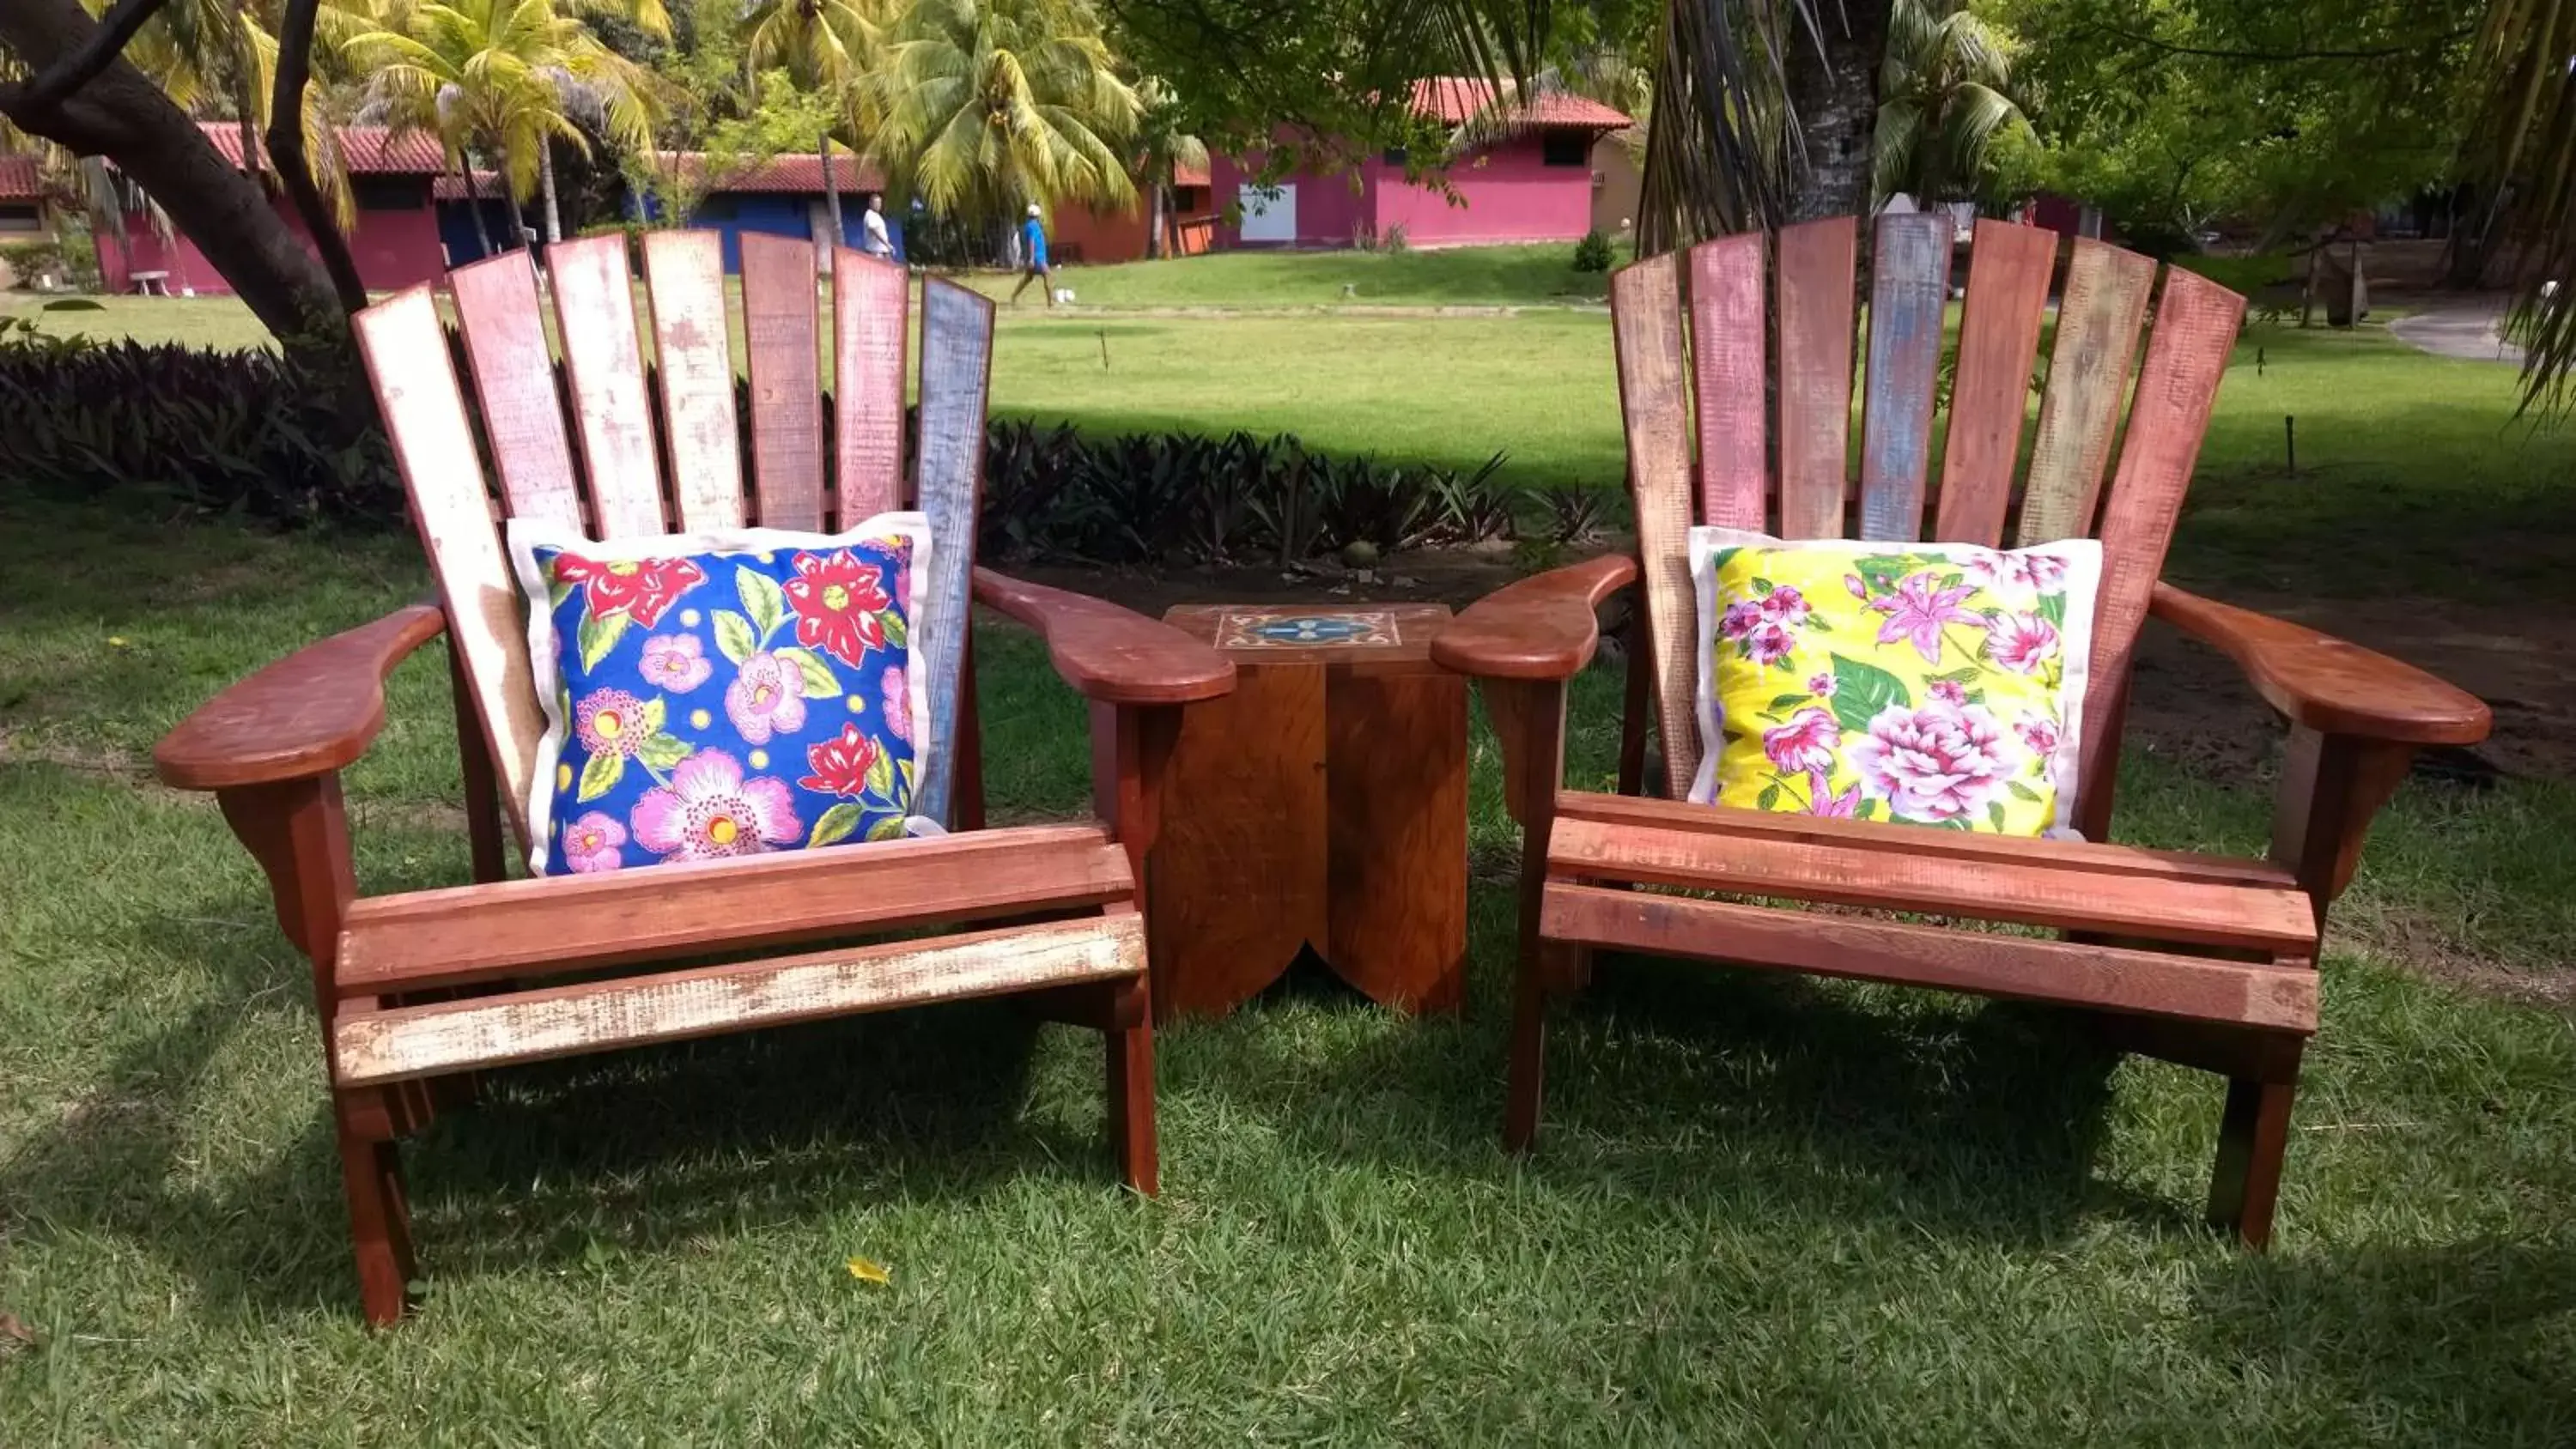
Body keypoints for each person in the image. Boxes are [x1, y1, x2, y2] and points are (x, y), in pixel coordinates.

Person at [1008, 202, 1057, 307]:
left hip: (1036, 257)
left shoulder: (1028, 226)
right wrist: (1031, 258)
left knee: (1028, 278)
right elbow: (1032, 241)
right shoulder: (1033, 226)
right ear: (1037, 215)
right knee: (1048, 276)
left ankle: (1014, 296)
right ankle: (1051, 303)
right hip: (1037, 257)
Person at [861, 194, 895, 259]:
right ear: (870, 204)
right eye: (876, 203)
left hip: (883, 251)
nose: (878, 205)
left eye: (879, 203)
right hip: (876, 252)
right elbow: (874, 230)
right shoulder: (870, 214)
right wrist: (887, 244)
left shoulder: (877, 216)